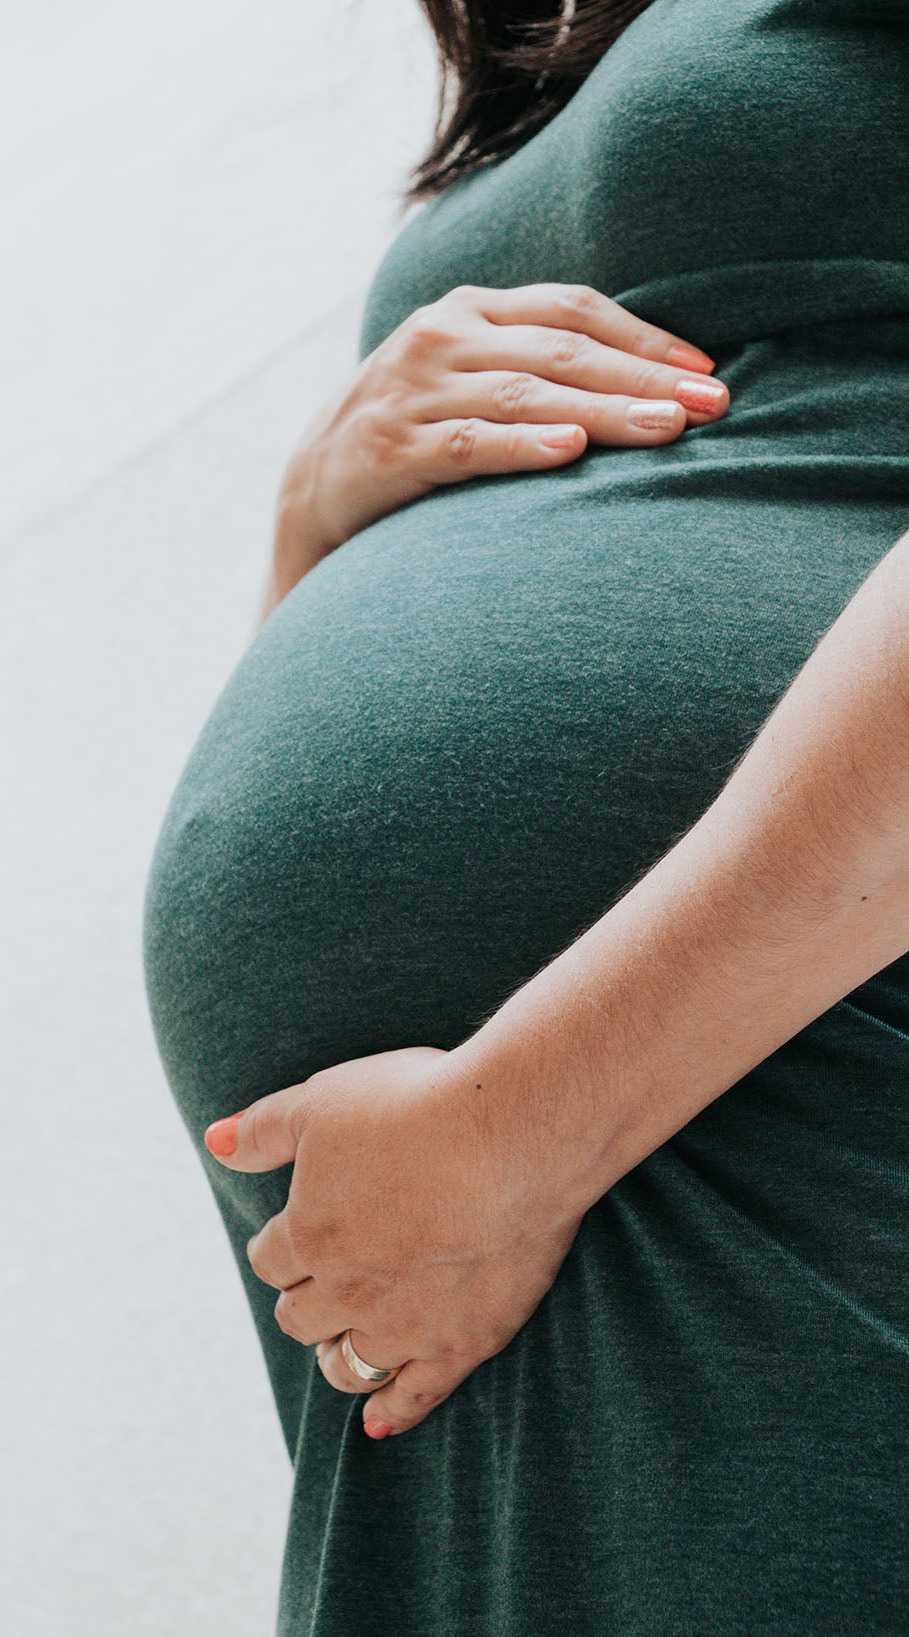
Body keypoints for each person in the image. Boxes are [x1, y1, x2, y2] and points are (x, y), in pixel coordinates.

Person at [141, 0, 909, 1629]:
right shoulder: (553, 57)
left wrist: (529, 1116)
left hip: (782, 1086)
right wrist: (317, 522)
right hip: (450, 1298)